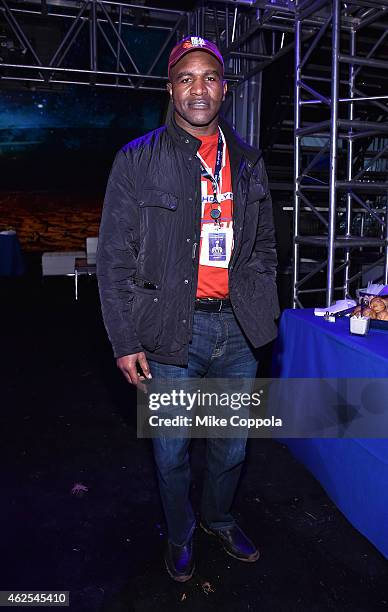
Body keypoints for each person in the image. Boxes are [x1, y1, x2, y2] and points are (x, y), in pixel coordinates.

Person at [96, 36, 280, 582]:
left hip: (238, 331)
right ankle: (179, 533)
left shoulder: (247, 161)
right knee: (172, 452)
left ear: (224, 88)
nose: (198, 89)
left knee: (230, 448)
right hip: (169, 333)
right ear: (171, 88)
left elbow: (265, 244)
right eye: (186, 79)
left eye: (209, 78)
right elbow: (112, 260)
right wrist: (124, 340)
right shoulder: (136, 159)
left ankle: (218, 519)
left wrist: (261, 301)